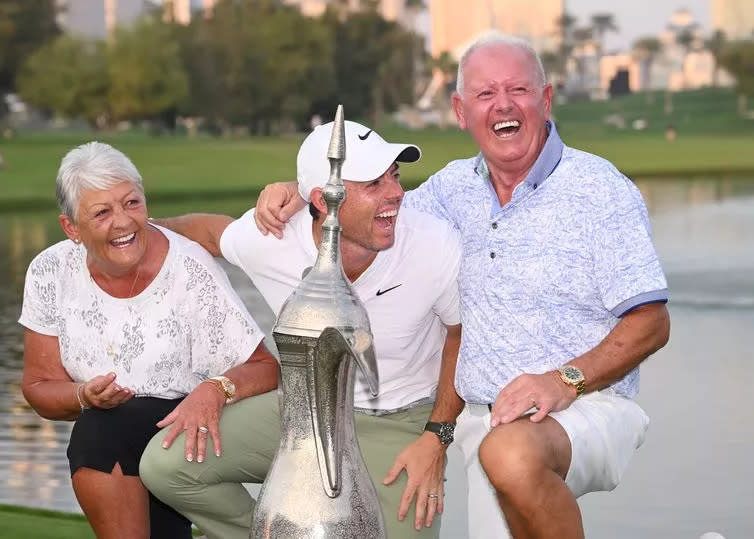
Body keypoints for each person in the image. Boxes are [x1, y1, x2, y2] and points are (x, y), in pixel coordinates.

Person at [252, 32, 671, 539]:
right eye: (485, 94)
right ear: (460, 110)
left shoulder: (601, 191)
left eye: (517, 90)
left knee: (511, 454)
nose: (503, 106)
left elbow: (651, 322)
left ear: (545, 99)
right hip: (482, 420)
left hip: (589, 404)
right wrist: (305, 195)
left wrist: (563, 381)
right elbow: (373, 210)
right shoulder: (449, 190)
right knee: (503, 452)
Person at [139, 121, 464, 539]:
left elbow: (460, 336)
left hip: (398, 424)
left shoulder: (432, 242)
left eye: (395, 177)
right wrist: (135, 228)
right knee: (166, 467)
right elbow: (207, 232)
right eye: (373, 183)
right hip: (300, 414)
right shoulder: (273, 239)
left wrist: (437, 437)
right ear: (322, 199)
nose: (396, 193)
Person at [18, 141, 279, 539]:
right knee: (102, 430)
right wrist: (83, 396)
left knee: (101, 434)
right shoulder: (49, 272)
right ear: (71, 227)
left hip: (191, 421)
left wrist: (215, 389)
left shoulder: (189, 267)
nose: (123, 222)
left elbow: (264, 368)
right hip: (111, 434)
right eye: (102, 212)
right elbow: (38, 387)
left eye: (132, 203)